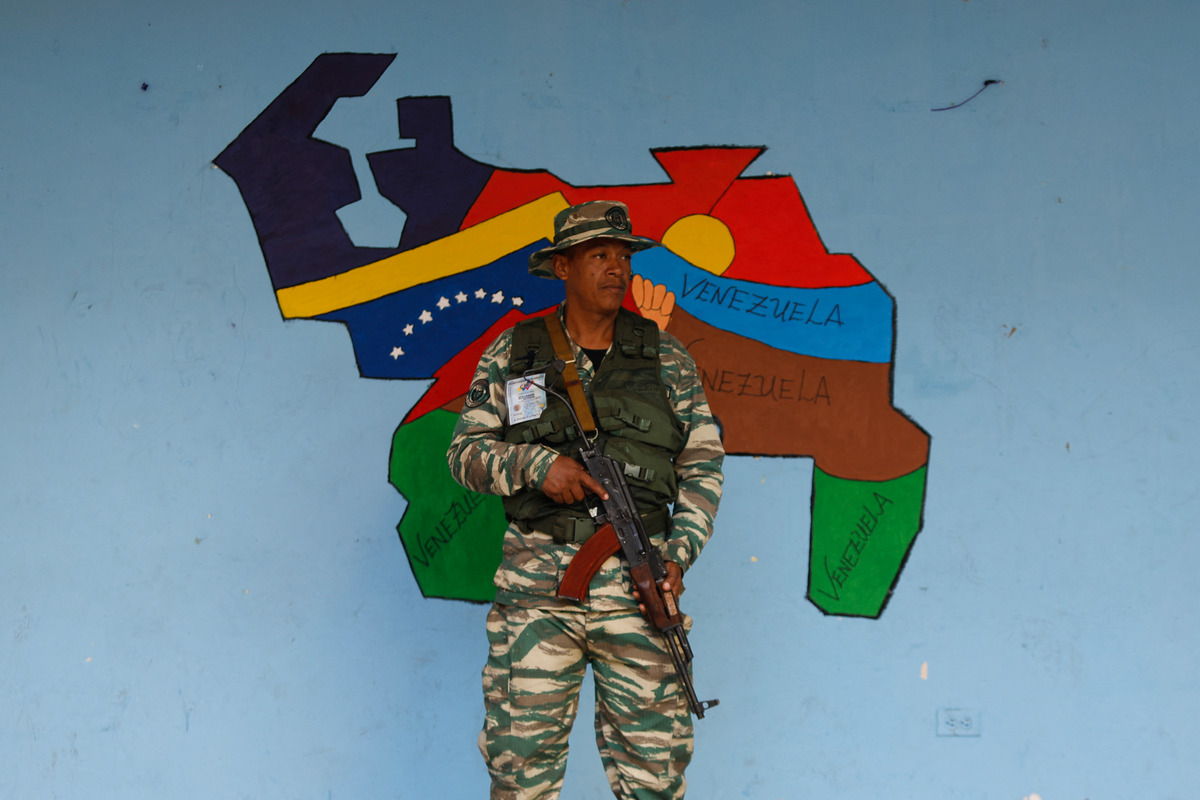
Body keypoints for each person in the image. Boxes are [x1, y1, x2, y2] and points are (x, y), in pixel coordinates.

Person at [446, 200, 724, 800]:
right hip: (536, 592)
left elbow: (702, 462)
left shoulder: (667, 358)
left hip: (640, 582)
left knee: (654, 774)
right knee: (520, 768)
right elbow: (464, 454)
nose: (616, 269)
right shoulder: (514, 353)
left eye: (623, 257)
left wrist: (679, 554)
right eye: (599, 255)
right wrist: (535, 465)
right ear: (563, 267)